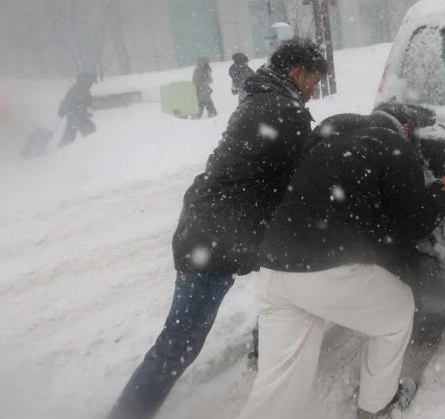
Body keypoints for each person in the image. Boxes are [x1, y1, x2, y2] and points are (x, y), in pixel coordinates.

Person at [108, 39, 328, 419]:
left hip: (217, 226)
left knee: (279, 278)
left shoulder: (261, 96)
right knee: (180, 343)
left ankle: (265, 346)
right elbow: (304, 175)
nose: (314, 89)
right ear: (297, 73)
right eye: (313, 80)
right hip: (214, 238)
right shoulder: (284, 110)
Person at [237, 104, 445, 419]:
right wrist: (442, 191)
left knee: (278, 382)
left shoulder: (328, 133)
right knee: (399, 311)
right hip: (323, 269)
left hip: (274, 266)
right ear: (405, 127)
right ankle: (378, 404)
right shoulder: (395, 145)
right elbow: (412, 223)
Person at [57, 72, 97, 146]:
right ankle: (93, 146)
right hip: (78, 115)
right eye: (90, 82)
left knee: (70, 133)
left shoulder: (74, 88)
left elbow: (66, 100)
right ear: (86, 81)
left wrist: (61, 111)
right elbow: (87, 105)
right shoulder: (83, 90)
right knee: (90, 131)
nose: (91, 85)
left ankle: (62, 147)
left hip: (73, 114)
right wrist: (88, 111)